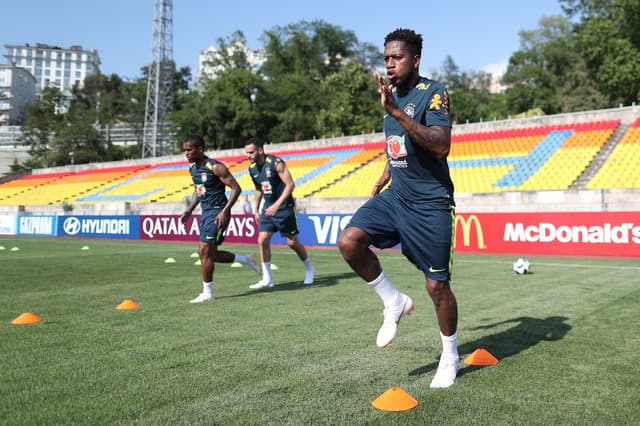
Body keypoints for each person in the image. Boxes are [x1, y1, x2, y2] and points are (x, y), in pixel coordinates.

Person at [337, 28, 459, 388]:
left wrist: (396, 112)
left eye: (397, 58)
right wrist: (384, 174)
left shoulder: (434, 93)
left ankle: (450, 356)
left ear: (415, 60)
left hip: (430, 203)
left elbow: (440, 146)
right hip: (396, 196)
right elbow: (401, 145)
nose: (390, 64)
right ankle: (393, 301)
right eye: (386, 58)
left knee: (437, 287)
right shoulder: (390, 97)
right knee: (349, 241)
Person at [180, 135, 260, 303]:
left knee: (204, 251)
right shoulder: (193, 168)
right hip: (205, 213)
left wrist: (225, 211)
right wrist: (189, 210)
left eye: (189, 150)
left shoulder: (216, 167)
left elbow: (236, 189)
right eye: (184, 151)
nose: (186, 153)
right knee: (210, 254)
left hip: (217, 213)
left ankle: (208, 293)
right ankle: (246, 259)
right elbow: (199, 190)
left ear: (200, 149)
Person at [243, 137, 315, 289]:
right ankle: (267, 278)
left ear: (260, 150)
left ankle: (310, 269)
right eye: (246, 153)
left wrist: (277, 205)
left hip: (284, 207)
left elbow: (290, 185)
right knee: (262, 240)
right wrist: (256, 209)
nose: (248, 156)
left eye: (251, 152)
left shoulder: (276, 163)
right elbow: (258, 189)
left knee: (292, 242)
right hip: (268, 207)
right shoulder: (252, 168)